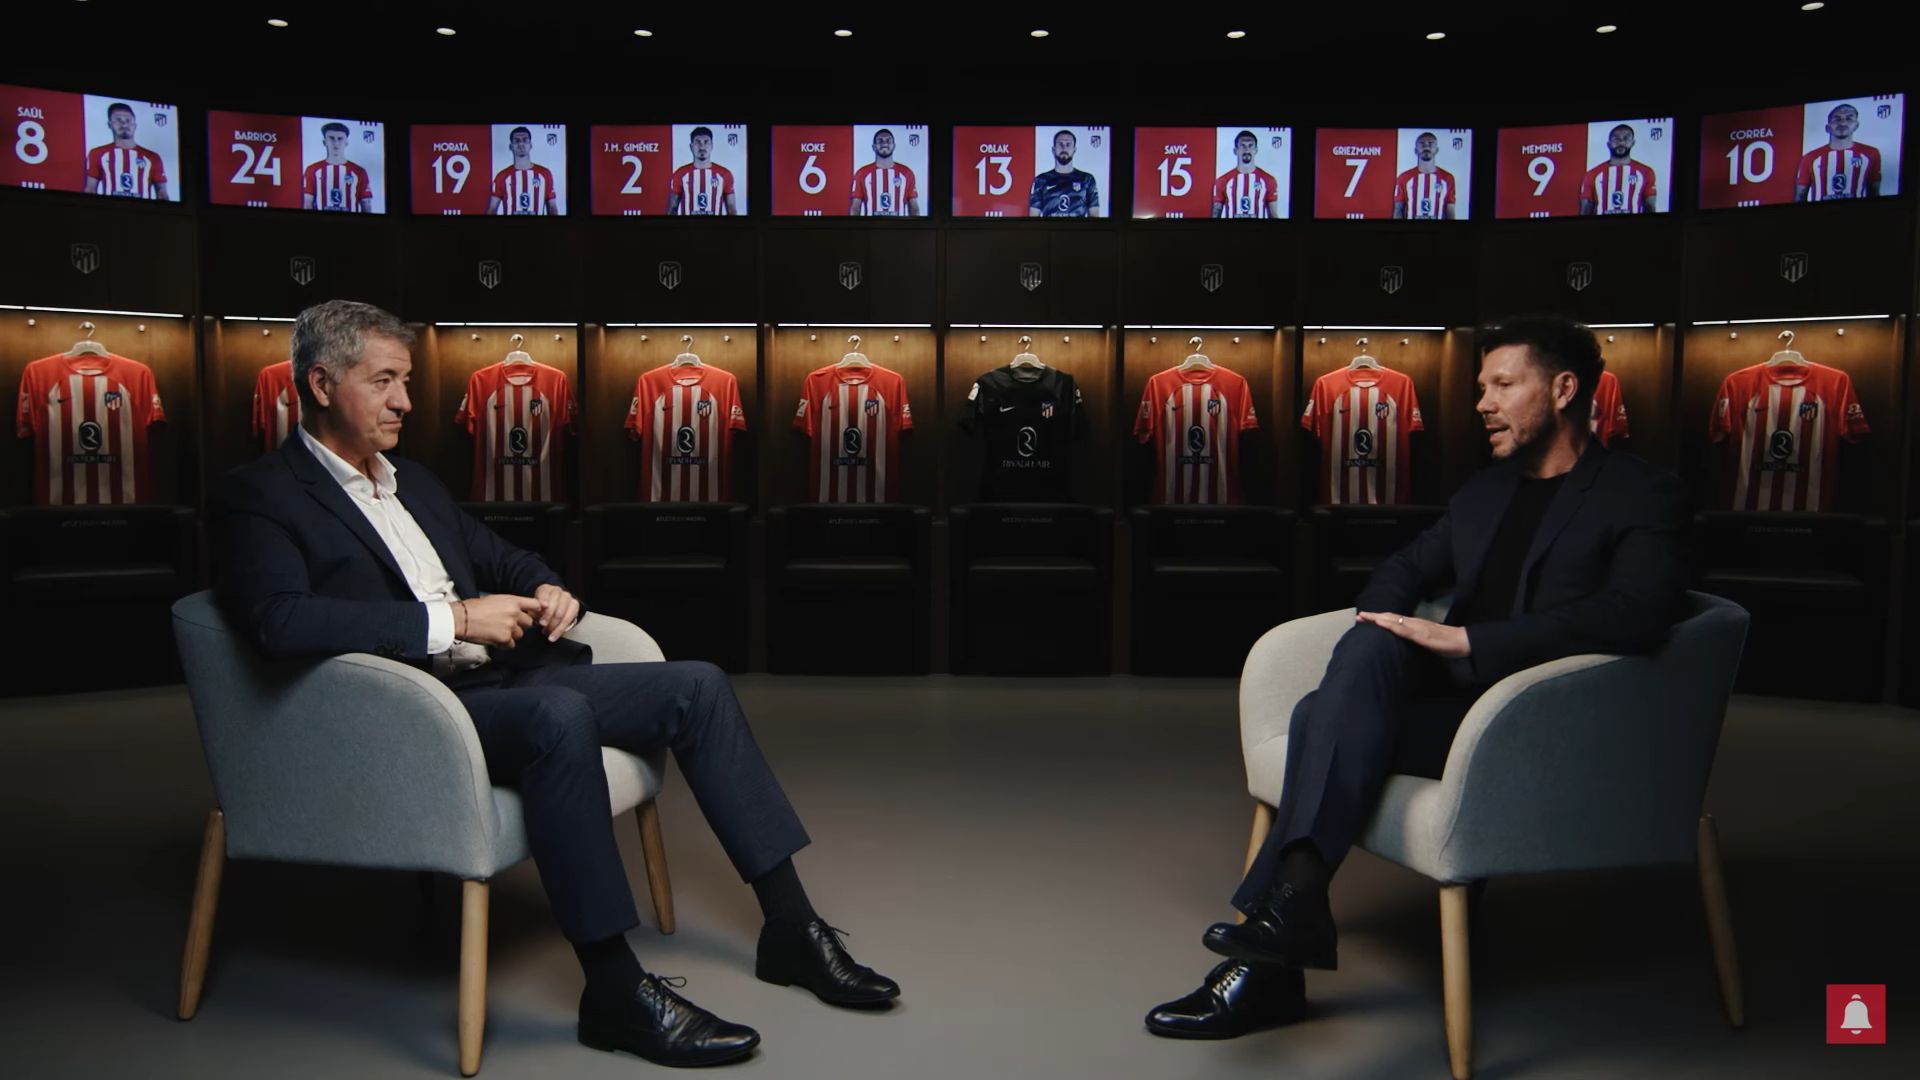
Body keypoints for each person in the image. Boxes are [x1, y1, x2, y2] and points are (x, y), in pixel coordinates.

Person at [212, 300, 897, 1067]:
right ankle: (614, 990)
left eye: (405, 381)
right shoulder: (261, 493)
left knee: (698, 686)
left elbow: (499, 555)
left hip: (500, 684)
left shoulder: (413, 482)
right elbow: (279, 621)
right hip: (410, 713)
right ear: (320, 384)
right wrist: (455, 620)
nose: (405, 401)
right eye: (384, 381)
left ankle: (792, 929)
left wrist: (546, 587)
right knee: (558, 715)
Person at [1144, 314, 1689, 1039]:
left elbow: (1639, 613)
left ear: (1563, 390)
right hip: (1457, 714)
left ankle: (1273, 957)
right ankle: (1291, 914)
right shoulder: (1485, 493)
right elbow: (1404, 568)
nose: (1482, 404)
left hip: (1546, 727)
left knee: (1315, 718)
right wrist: (1387, 622)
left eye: (1502, 385)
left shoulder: (1641, 492)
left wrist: (1469, 639)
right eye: (1481, 388)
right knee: (1368, 648)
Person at [1795, 103, 1881, 201]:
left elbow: (1874, 191)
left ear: (1856, 125)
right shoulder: (1810, 158)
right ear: (1828, 128)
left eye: (1849, 118)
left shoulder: (1871, 153)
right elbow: (1800, 196)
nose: (1843, 123)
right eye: (1837, 119)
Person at [86, 101, 168, 200]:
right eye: (118, 120)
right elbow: (90, 189)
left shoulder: (152, 158)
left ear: (135, 125)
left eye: (128, 120)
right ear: (110, 124)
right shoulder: (97, 154)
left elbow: (162, 194)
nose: (124, 124)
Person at [1579, 124, 1657, 216]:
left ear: (1633, 143)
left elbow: (1650, 206)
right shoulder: (1592, 174)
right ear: (1609, 144)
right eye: (1616, 139)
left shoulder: (1646, 172)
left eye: (1626, 138)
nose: (1621, 142)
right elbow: (1585, 209)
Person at [303, 121, 375, 213]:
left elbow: (366, 205)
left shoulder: (359, 172)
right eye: (331, 138)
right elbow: (307, 203)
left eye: (340, 139)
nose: (336, 143)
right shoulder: (312, 170)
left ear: (346, 143)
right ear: (324, 142)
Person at [487, 126, 560, 216]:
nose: (521, 144)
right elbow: (492, 209)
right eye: (516, 141)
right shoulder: (502, 176)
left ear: (531, 145)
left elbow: (552, 208)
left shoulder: (545, 174)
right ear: (510, 146)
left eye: (525, 140)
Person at [1028, 129, 1100, 217]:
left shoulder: (1087, 179)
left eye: (1068, 144)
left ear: (1074, 150)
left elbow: (1094, 217)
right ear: (1053, 149)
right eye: (1060, 144)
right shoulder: (1040, 180)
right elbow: (1033, 217)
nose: (1064, 148)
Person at [849, 127, 919, 216]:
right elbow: (855, 208)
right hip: (870, 225)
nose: (884, 143)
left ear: (894, 146)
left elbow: (914, 208)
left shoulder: (907, 173)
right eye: (880, 141)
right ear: (874, 147)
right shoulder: (862, 173)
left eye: (888, 141)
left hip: (899, 225)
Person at [668, 126, 737, 216]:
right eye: (698, 142)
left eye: (706, 142)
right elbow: (672, 209)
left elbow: (731, 209)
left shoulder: (725, 174)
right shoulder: (680, 174)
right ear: (691, 147)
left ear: (712, 146)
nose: (702, 146)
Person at [1212, 130, 1281, 219]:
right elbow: (1215, 215)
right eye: (1243, 146)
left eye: (1250, 146)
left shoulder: (1269, 180)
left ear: (1256, 150)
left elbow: (1273, 215)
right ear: (1235, 151)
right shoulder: (1222, 181)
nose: (1247, 150)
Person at [1392, 131, 1455, 220]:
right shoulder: (1404, 177)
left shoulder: (1448, 178)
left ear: (1437, 150)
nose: (1426, 146)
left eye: (1430, 143)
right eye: (1422, 143)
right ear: (1415, 150)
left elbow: (1450, 211)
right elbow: (1398, 210)